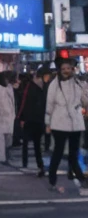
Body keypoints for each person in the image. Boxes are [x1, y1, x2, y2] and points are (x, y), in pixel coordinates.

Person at [45, 57, 88, 193]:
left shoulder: (78, 83)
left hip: (75, 122)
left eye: (68, 69)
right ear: (59, 70)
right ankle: (52, 180)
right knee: (57, 152)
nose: (66, 71)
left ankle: (80, 178)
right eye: (63, 69)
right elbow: (49, 104)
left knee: (74, 153)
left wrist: (85, 90)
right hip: (59, 121)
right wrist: (48, 123)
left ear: (72, 69)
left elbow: (85, 101)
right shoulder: (54, 84)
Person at [18, 66, 50, 176]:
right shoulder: (31, 86)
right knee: (28, 143)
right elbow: (24, 103)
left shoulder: (45, 87)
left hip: (40, 119)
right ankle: (26, 163)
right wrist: (22, 118)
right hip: (30, 119)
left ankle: (40, 166)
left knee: (36, 144)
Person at [0, 72, 16, 166]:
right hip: (0, 117)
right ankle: (2, 158)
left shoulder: (9, 88)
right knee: (0, 139)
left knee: (8, 138)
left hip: (9, 117)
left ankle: (5, 155)